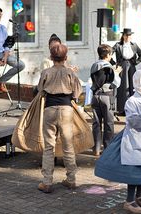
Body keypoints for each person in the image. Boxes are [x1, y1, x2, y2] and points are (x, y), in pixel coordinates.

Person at [94, 70, 141, 214]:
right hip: (133, 139)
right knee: (134, 170)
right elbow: (133, 122)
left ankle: (139, 196)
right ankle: (129, 201)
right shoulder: (132, 101)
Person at [36, 44, 82, 193]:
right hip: (66, 110)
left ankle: (47, 182)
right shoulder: (70, 73)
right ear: (66, 58)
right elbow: (76, 93)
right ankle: (71, 180)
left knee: (49, 147)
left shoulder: (46, 72)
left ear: (51, 58)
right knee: (68, 146)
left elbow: (40, 90)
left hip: (49, 109)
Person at [90, 44, 121, 156]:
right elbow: (117, 83)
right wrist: (117, 72)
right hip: (107, 96)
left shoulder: (94, 65)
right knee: (109, 123)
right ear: (108, 54)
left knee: (96, 123)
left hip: (95, 96)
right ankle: (107, 148)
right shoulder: (110, 67)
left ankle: (96, 148)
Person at [113, 28, 141, 115]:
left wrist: (136, 62)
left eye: (129, 35)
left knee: (132, 87)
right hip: (122, 66)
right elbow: (109, 53)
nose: (128, 37)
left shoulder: (134, 45)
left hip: (131, 66)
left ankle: (132, 108)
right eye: (126, 35)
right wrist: (115, 64)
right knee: (122, 87)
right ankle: (122, 109)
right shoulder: (118, 45)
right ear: (123, 36)